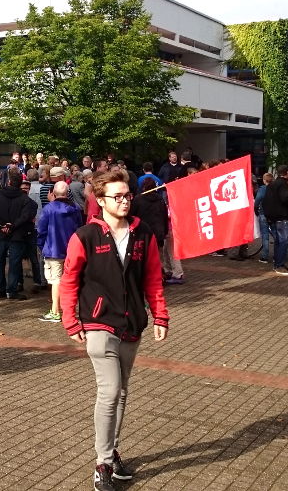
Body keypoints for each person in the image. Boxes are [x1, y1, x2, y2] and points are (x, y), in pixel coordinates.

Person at [59, 169, 169, 490]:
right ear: (101, 200)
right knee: (109, 391)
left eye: (127, 195)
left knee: (121, 392)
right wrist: (71, 319)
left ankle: (111, 451)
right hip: (98, 322)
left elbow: (152, 278)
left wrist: (160, 316)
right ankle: (103, 463)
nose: (124, 201)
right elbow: (69, 281)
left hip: (132, 321)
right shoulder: (85, 236)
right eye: (117, 196)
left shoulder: (143, 233)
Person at [36, 181, 82, 322]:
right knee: (72, 280)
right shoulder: (75, 208)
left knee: (56, 281)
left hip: (53, 250)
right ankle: (72, 310)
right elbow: (80, 228)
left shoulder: (49, 209)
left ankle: (55, 311)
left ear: (53, 193)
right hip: (71, 250)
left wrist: (41, 246)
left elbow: (41, 230)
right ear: (67, 192)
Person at [0, 168, 35, 300]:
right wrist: (12, 225)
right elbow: (25, 216)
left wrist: (1, 225)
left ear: (8, 181)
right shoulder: (24, 198)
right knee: (14, 262)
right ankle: (12, 289)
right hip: (17, 233)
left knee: (0, 260)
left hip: (1, 233)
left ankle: (0, 288)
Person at [263, 165, 288, 276]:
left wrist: (268, 216)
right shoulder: (283, 184)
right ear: (287, 173)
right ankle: (280, 265)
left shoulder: (271, 184)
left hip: (273, 217)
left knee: (278, 241)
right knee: (284, 241)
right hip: (283, 217)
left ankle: (277, 263)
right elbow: (285, 199)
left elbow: (265, 201)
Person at [254, 173, 273, 264]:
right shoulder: (275, 188)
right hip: (274, 215)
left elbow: (257, 200)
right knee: (276, 235)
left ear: (264, 180)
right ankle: (277, 255)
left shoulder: (262, 189)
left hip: (263, 213)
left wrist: (256, 211)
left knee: (265, 236)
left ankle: (265, 256)